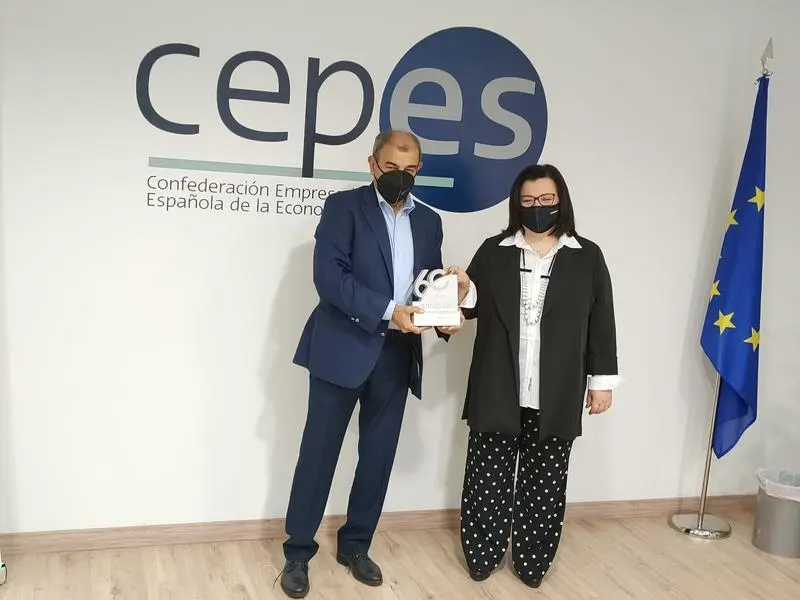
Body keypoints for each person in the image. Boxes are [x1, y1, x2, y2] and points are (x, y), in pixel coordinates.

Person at [279, 130, 472, 598]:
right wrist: (389, 311)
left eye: (408, 169)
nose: (399, 176)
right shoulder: (343, 208)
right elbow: (330, 278)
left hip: (396, 354)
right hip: (341, 347)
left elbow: (426, 286)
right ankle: (298, 552)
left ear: (418, 169)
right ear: (372, 165)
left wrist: (450, 306)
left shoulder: (429, 222)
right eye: (390, 168)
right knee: (318, 455)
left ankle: (356, 546)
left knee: (378, 457)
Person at [454, 163, 622, 588]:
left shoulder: (587, 256)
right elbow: (471, 304)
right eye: (528, 200)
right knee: (486, 480)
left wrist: (601, 383)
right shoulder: (495, 249)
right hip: (497, 385)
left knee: (545, 485)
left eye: (546, 199)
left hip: (557, 390)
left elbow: (601, 322)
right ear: (517, 204)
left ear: (561, 201)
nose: (537, 207)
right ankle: (482, 555)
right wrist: (461, 290)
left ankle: (532, 562)